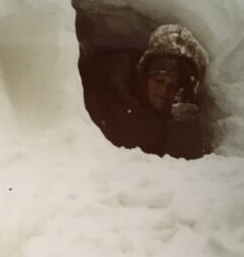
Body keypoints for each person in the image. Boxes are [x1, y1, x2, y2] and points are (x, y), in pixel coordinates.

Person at [80, 24, 211, 159]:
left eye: (173, 86)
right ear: (145, 77)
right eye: (158, 80)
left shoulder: (186, 124)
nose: (164, 90)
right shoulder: (109, 99)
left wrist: (182, 127)